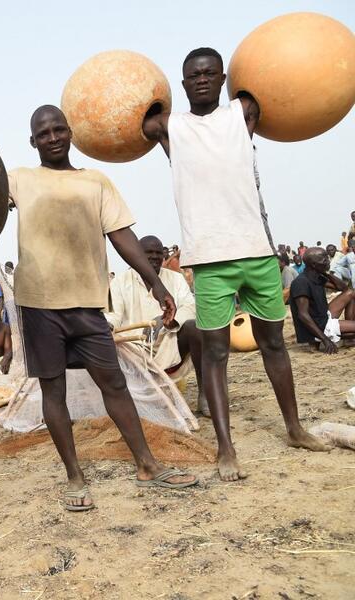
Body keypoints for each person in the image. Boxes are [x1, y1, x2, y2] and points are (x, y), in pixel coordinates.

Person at [143, 47, 330, 481]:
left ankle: (294, 428)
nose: (202, 79)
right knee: (215, 353)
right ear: (183, 83)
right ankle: (226, 447)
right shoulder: (172, 127)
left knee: (274, 344)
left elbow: (269, 88)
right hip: (208, 259)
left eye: (210, 73)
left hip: (257, 250)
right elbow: (143, 122)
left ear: (223, 79)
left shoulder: (241, 113)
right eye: (194, 75)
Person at [9, 104, 197, 511]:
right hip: (39, 304)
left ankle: (146, 464)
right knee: (53, 390)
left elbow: (122, 236)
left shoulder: (95, 181)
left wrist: (155, 283)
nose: (53, 138)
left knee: (114, 383)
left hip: (88, 304)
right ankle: (75, 477)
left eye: (59, 130)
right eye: (44, 133)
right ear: (33, 141)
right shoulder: (19, 180)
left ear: (70, 133)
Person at [106, 235, 207, 415]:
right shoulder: (120, 282)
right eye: (148, 252)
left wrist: (169, 319)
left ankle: (205, 394)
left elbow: (190, 306)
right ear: (137, 254)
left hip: (169, 345)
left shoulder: (175, 279)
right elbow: (114, 315)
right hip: (134, 350)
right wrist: (107, 325)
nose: (154, 256)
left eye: (158, 253)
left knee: (195, 328)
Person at [289, 247, 355, 353]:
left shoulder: (317, 277)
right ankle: (324, 338)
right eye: (325, 260)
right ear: (314, 265)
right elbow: (303, 315)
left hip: (323, 317)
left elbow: (344, 288)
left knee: (350, 294)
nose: (328, 262)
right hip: (319, 326)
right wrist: (325, 339)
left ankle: (348, 338)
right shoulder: (301, 282)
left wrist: (326, 273)